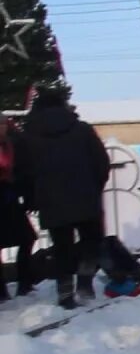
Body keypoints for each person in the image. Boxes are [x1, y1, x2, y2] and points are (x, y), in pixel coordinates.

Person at [13, 87, 110, 308]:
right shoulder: (83, 130)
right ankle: (85, 282)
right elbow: (101, 163)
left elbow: (23, 172)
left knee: (62, 248)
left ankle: (65, 293)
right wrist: (95, 188)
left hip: (51, 202)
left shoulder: (27, 137)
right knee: (91, 241)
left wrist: (32, 199)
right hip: (86, 198)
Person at [0, 118, 36, 300]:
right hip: (6, 196)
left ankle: (24, 282)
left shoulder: (11, 144)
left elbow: (23, 169)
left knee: (27, 238)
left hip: (10, 197)